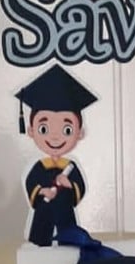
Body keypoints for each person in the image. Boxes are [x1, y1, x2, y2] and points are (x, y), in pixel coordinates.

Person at [16, 64, 97, 246]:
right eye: (43, 128)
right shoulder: (39, 167)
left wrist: (69, 184)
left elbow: (79, 187)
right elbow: (31, 184)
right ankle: (40, 246)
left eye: (67, 129)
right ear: (31, 131)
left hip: (64, 211)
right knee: (40, 239)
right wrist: (41, 191)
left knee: (68, 241)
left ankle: (68, 245)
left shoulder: (70, 167)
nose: (54, 136)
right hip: (43, 210)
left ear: (80, 132)